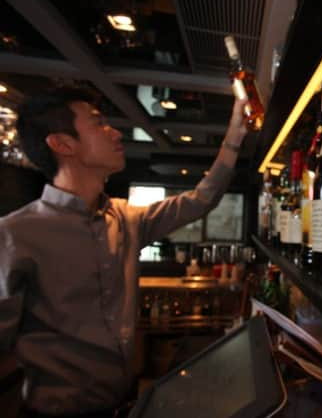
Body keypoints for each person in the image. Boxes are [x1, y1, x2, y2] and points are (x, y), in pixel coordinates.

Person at [0, 86, 249, 417]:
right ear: (62, 144)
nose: (115, 132)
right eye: (98, 123)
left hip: (125, 406)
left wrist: (234, 136)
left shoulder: (127, 217)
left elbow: (200, 200)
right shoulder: (15, 234)